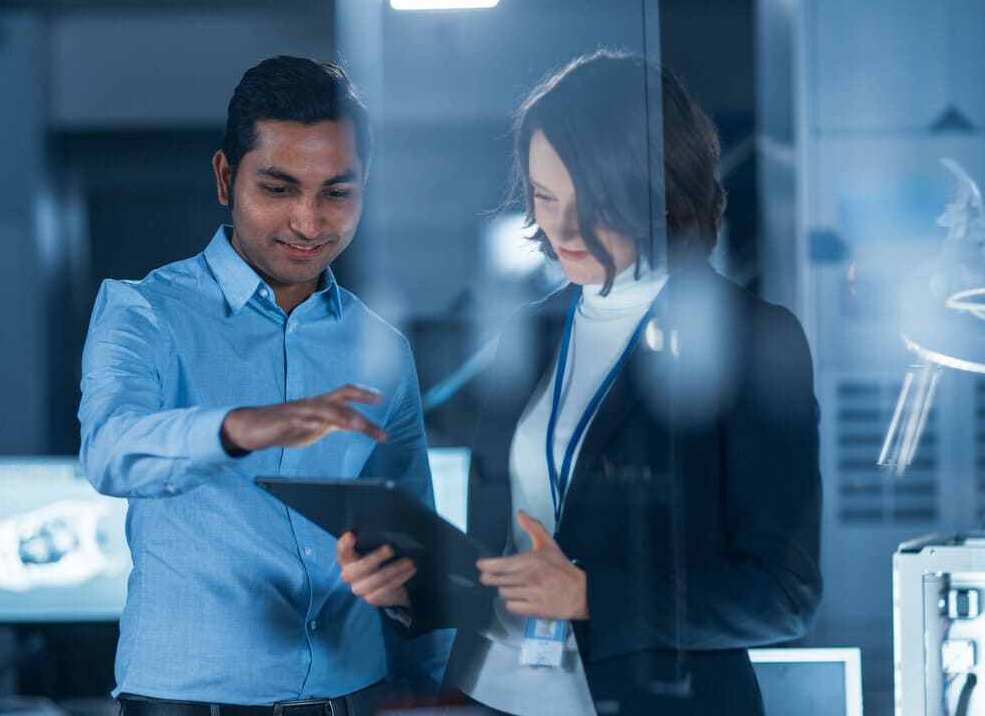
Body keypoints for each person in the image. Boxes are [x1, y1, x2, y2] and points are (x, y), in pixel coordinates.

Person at [343, 50, 823, 715]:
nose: (558, 227)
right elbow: (506, 558)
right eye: (544, 196)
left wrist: (591, 596)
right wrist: (414, 590)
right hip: (497, 697)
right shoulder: (533, 329)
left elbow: (784, 596)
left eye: (588, 200)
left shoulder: (746, 336)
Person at [78, 55, 444, 715]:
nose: (309, 222)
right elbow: (109, 450)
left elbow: (411, 547)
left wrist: (444, 682)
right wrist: (240, 426)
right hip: (189, 706)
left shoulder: (382, 347)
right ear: (225, 177)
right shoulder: (143, 312)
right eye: (278, 188)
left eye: (338, 191)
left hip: (355, 699)